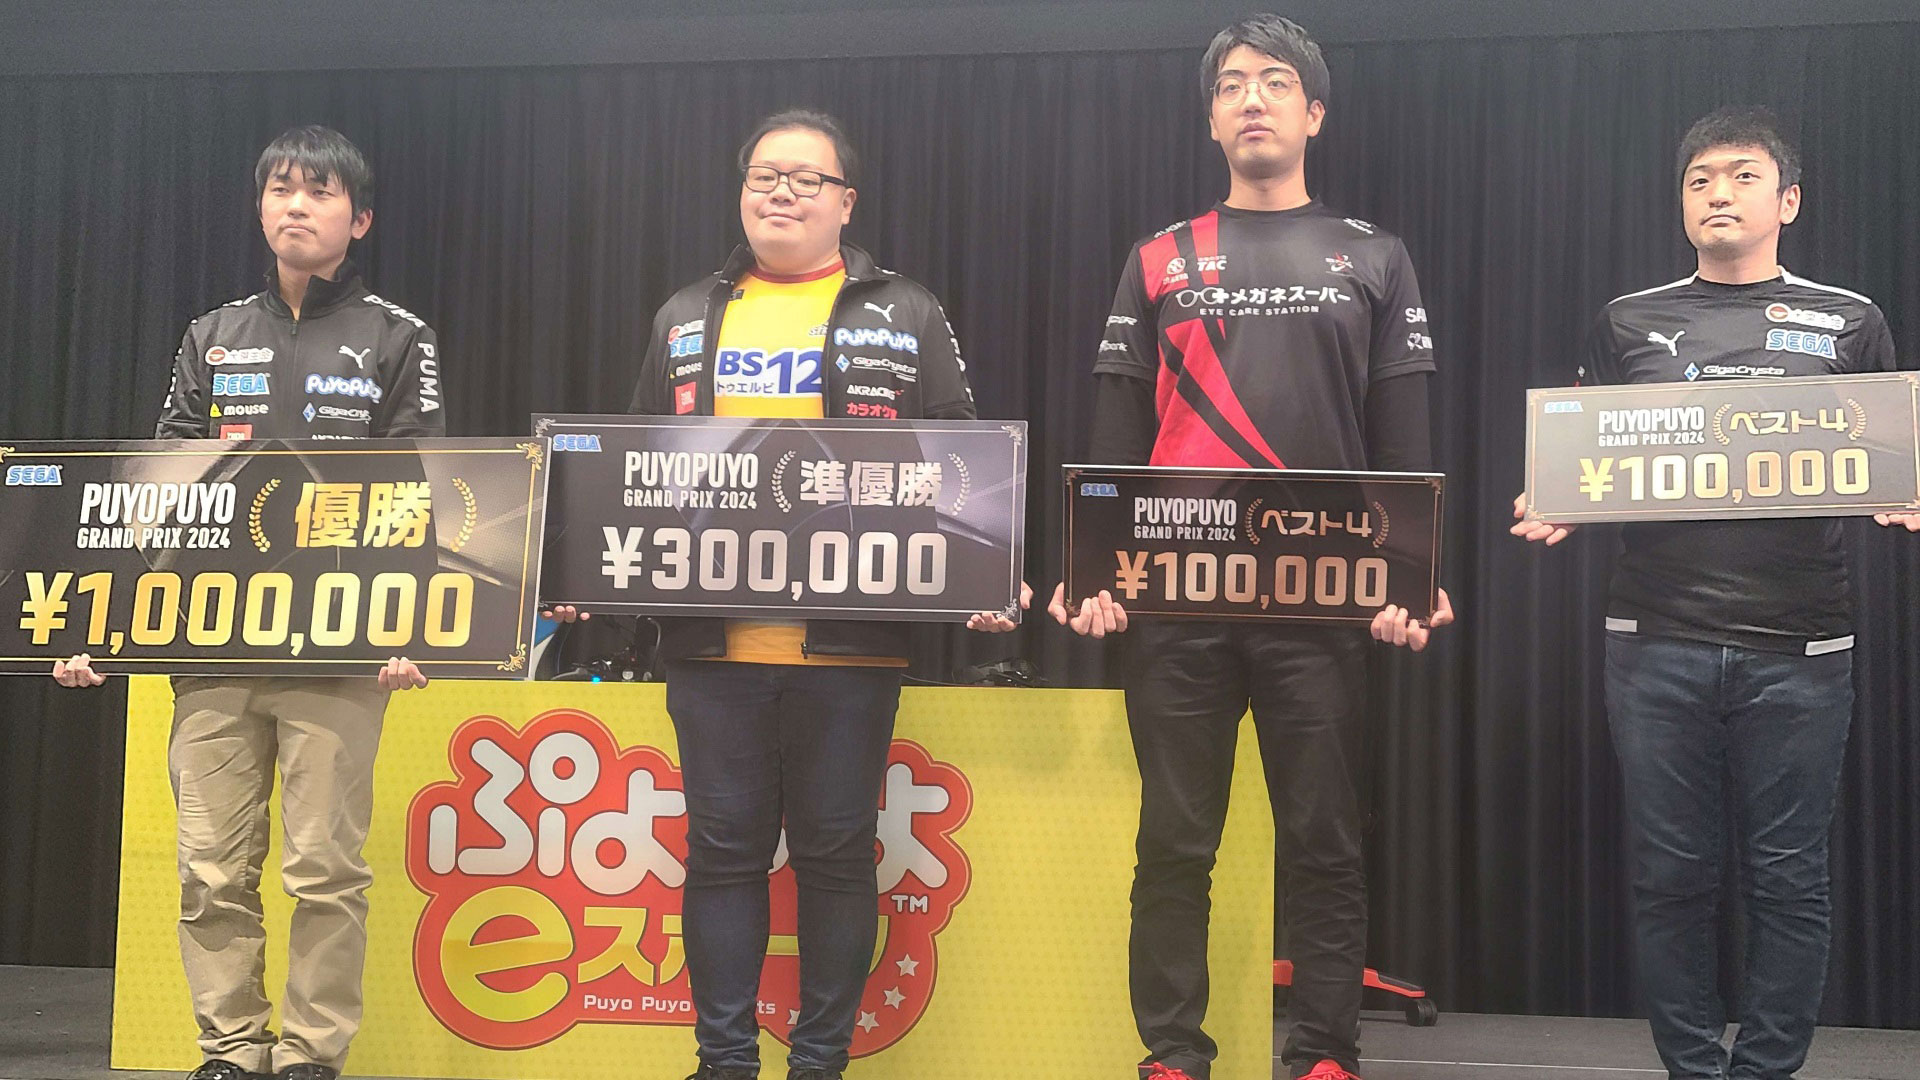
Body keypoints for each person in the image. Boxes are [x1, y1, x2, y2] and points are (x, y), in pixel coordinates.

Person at [551, 107, 1024, 1080]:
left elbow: (962, 452)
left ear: (846, 202)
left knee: (837, 855)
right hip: (711, 643)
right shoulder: (685, 314)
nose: (781, 192)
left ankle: (819, 1064)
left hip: (851, 639)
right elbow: (634, 460)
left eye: (807, 179)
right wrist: (581, 571)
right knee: (722, 854)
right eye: (765, 176)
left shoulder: (905, 310)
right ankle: (723, 1062)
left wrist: (987, 565)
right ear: (741, 194)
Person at [1048, 16, 1453, 1080]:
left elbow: (1402, 437)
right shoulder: (1159, 258)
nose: (1252, 99)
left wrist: (1415, 578)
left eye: (1275, 82)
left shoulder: (1374, 255)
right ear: (1212, 118)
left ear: (1314, 113)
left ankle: (1323, 1052)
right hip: (1177, 602)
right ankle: (1173, 1053)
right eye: (1231, 85)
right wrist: (1092, 572)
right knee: (1175, 843)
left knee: (1324, 839)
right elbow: (1115, 431)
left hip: (1319, 601)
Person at [1512, 106, 1917, 1080]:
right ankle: (1692, 1069)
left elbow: (1889, 449)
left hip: (1804, 647)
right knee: (1672, 877)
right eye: (1698, 180)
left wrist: (1906, 488)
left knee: (1790, 879)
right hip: (1654, 643)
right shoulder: (1627, 320)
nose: (1717, 194)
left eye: (1741, 176)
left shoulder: (1850, 320)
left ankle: (1766, 1071)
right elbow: (1587, 452)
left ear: (1789, 200)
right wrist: (1555, 494)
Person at [54, 124, 441, 1080]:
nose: (295, 205)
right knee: (211, 871)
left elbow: (423, 493)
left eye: (319, 191)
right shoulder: (211, 334)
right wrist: (100, 623)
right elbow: (158, 493)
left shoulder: (397, 336)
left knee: (325, 872)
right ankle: (230, 1049)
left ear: (360, 218)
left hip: (339, 652)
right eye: (280, 188)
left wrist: (410, 629)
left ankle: (310, 1056)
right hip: (212, 649)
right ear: (261, 205)